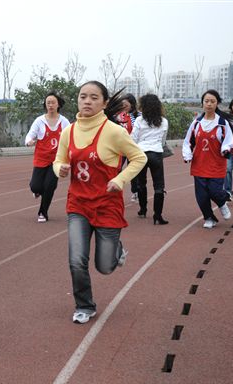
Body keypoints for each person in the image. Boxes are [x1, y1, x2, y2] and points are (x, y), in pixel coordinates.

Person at [52, 81, 147, 324]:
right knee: (76, 260)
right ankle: (85, 305)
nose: (87, 101)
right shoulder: (68, 131)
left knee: (105, 267)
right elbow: (58, 159)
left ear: (104, 103)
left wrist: (120, 179)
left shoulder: (114, 132)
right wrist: (60, 169)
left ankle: (115, 248)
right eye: (83, 96)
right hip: (78, 205)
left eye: (94, 97)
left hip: (107, 206)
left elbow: (139, 157)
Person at [182, 90, 233, 229]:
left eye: (212, 101)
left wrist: (225, 149)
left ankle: (222, 203)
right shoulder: (196, 123)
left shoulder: (223, 123)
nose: (209, 104)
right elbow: (187, 142)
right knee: (202, 196)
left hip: (217, 164)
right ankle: (209, 218)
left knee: (214, 191)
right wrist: (187, 155)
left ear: (217, 103)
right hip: (199, 164)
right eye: (206, 101)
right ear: (202, 103)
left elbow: (229, 141)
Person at [25, 92, 70, 223]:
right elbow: (30, 135)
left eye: (53, 102)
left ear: (58, 104)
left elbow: (70, 137)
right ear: (45, 104)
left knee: (49, 186)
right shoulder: (39, 121)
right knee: (36, 186)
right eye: (48, 102)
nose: (50, 105)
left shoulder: (64, 121)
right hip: (41, 158)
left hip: (57, 160)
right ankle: (36, 191)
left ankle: (43, 212)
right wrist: (29, 141)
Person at [131, 93, 169, 224]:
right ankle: (157, 216)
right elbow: (163, 141)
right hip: (156, 154)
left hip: (141, 153)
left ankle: (143, 209)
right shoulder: (163, 121)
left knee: (141, 183)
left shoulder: (139, 120)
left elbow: (133, 139)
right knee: (159, 186)